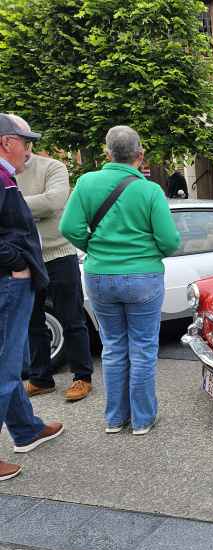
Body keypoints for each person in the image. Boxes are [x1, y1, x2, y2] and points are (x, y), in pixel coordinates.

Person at [60, 126, 180, 435]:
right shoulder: (150, 191)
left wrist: (94, 249)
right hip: (143, 276)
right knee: (142, 348)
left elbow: (69, 227)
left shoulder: (86, 183)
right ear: (140, 155)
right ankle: (142, 419)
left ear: (107, 152)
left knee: (112, 346)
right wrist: (147, 253)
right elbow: (169, 241)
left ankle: (115, 419)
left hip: (100, 274)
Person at [0, 113, 64, 481]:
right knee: (5, 366)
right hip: (8, 282)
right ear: (7, 142)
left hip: (12, 281)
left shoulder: (6, 177)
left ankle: (26, 429)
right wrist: (16, 263)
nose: (29, 150)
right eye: (26, 142)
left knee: (13, 360)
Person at [16, 143, 94, 402]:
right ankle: (41, 379)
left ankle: (82, 377)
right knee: (32, 322)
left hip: (59, 254)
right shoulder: (6, 172)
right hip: (25, 257)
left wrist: (11, 205)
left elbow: (53, 202)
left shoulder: (53, 167)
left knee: (72, 318)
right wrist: (31, 208)